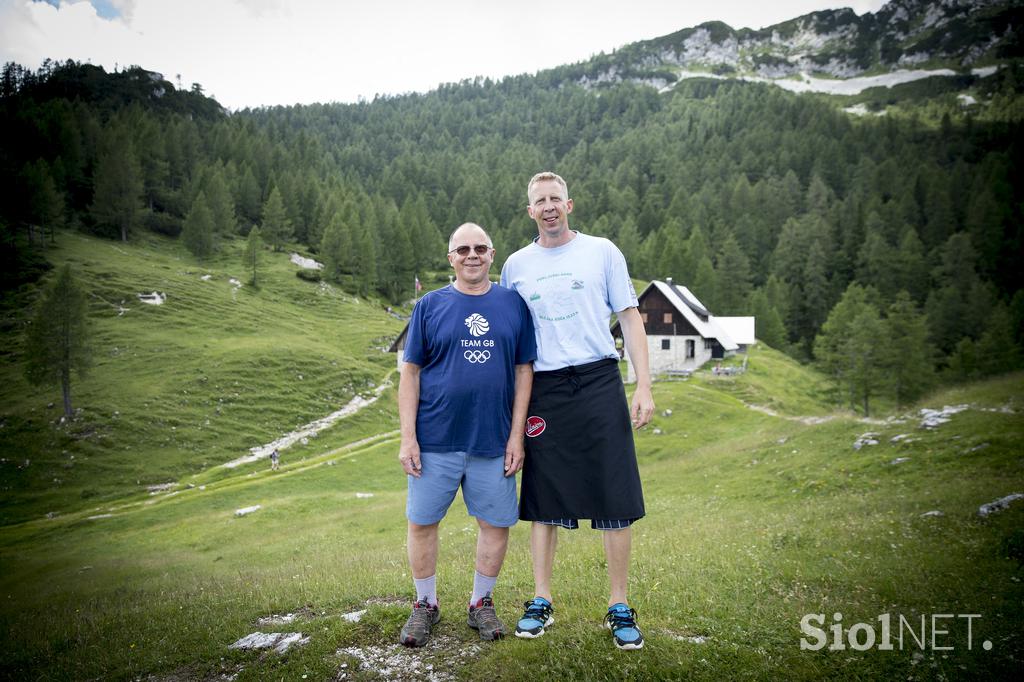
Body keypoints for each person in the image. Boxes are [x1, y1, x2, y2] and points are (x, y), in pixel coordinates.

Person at [500, 171, 654, 651]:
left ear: (569, 205)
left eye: (555, 199)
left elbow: (629, 316)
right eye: (539, 201)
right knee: (543, 497)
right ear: (530, 212)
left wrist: (643, 384)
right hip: (545, 389)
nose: (548, 207)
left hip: (598, 381)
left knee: (615, 492)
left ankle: (619, 606)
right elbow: (510, 339)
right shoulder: (516, 265)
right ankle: (541, 599)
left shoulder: (602, 251)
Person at [397, 222, 536, 647]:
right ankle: (425, 605)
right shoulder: (429, 305)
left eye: (480, 248)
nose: (471, 255)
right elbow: (411, 372)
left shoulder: (513, 304)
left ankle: (481, 603)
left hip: (493, 441)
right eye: (463, 249)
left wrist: (517, 437)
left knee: (495, 524)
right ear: (451, 257)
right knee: (422, 523)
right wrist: (408, 437)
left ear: (492, 254)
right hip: (435, 439)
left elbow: (523, 370)